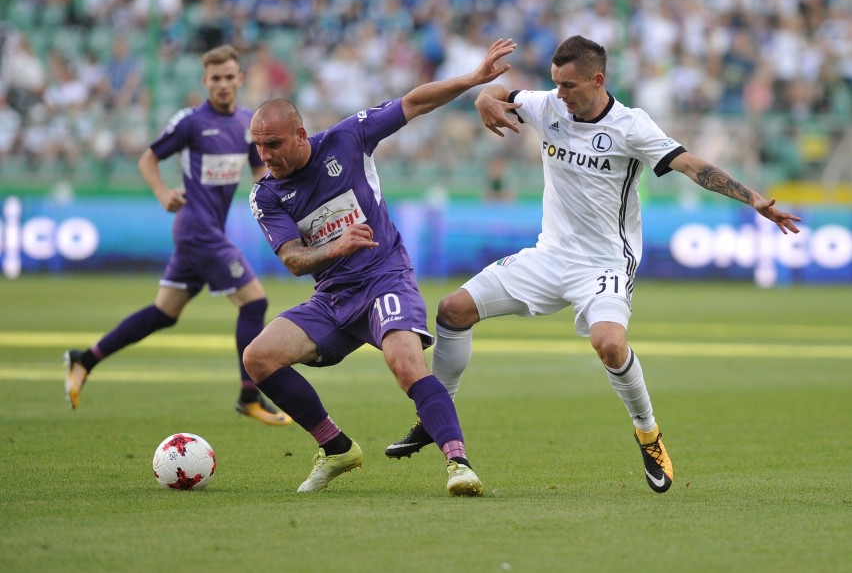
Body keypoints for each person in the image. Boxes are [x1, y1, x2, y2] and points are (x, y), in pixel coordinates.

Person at [384, 35, 802, 494]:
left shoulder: (631, 126)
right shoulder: (549, 106)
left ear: (597, 80)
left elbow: (690, 165)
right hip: (549, 256)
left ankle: (648, 432)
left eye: (569, 86)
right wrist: (485, 98)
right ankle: (434, 417)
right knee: (452, 309)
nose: (560, 94)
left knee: (608, 343)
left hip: (605, 262)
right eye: (555, 84)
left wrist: (754, 199)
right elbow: (502, 94)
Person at [242, 38, 518, 496]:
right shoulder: (266, 194)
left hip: (383, 277)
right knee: (258, 358)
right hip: (333, 296)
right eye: (258, 147)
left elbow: (413, 102)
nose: (265, 156)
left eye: (272, 144)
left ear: (299, 134)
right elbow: (292, 259)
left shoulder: (347, 139)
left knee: (405, 361)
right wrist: (336, 247)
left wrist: (472, 80)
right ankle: (336, 448)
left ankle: (458, 464)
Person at [65, 44, 291, 427]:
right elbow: (148, 158)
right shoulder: (191, 122)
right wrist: (163, 192)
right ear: (205, 81)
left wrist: (283, 198)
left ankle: (84, 358)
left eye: (228, 77)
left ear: (239, 79)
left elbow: (260, 175)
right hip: (196, 230)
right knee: (254, 303)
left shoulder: (248, 124)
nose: (222, 84)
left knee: (163, 314)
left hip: (208, 232)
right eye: (215, 78)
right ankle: (249, 395)